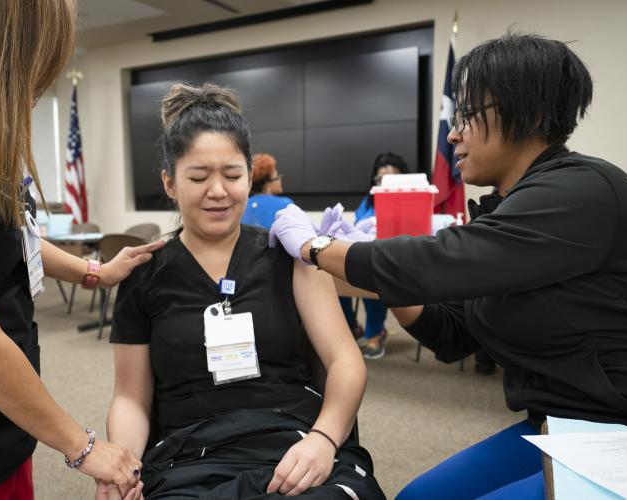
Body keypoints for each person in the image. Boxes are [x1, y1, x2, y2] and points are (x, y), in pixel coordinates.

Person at [269, 32, 627, 499]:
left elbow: (432, 262)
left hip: (625, 435)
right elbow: (455, 334)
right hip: (558, 427)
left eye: (468, 115)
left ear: (531, 114)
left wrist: (314, 247)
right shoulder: (507, 207)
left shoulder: (584, 191)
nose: (453, 133)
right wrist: (384, 279)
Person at [0, 2, 160, 498]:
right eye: (30, 72)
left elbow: (13, 239)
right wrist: (83, 448)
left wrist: (93, 273)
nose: (36, 94)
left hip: (4, 421)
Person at [104, 82, 386, 499]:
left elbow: (346, 361)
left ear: (249, 175)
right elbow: (130, 399)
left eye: (232, 175)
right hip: (190, 457)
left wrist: (324, 440)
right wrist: (123, 466)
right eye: (198, 177)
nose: (217, 191)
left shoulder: (290, 255)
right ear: (169, 183)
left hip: (292, 444)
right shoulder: (144, 275)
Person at [339, 152, 409, 359]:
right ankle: (352, 326)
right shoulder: (368, 202)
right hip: (366, 252)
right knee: (331, 276)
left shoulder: (410, 200)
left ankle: (375, 332)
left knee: (371, 276)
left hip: (394, 259)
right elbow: (355, 229)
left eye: (392, 178)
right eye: (380, 179)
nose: (385, 183)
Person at [241, 153, 294, 229]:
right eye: (277, 177)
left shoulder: (242, 206)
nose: (280, 180)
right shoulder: (285, 205)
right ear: (267, 184)